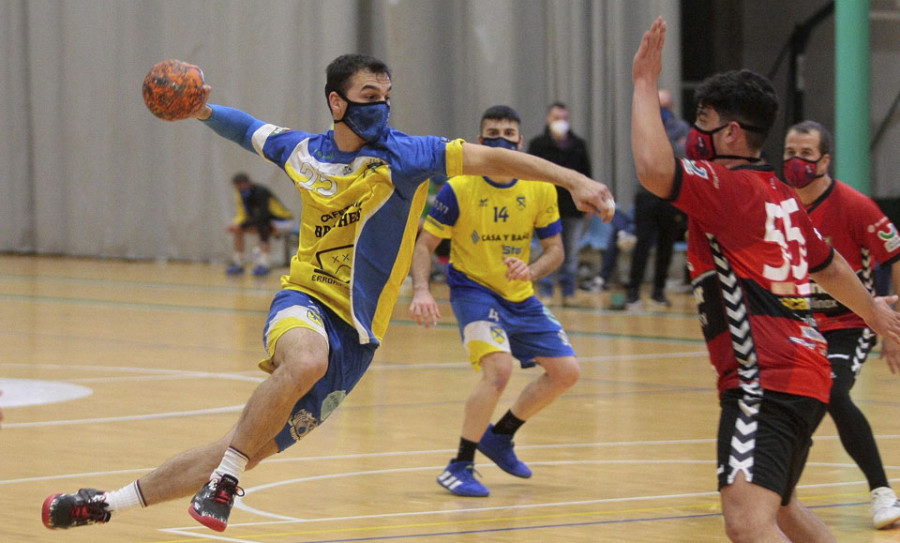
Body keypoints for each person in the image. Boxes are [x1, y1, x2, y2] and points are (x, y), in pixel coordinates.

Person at [42, 54, 614, 533]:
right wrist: (202, 111)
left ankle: (105, 503)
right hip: (305, 301)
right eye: (369, 94)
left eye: (388, 95)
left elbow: (495, 157)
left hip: (359, 338)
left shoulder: (411, 155)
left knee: (240, 447)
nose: (382, 105)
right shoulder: (303, 151)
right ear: (337, 102)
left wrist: (574, 180)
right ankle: (228, 478)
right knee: (303, 363)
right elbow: (247, 129)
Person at [632, 18, 900, 542]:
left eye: (702, 119)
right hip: (803, 373)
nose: (694, 131)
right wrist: (875, 313)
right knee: (783, 511)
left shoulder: (724, 185)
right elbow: (830, 265)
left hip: (764, 381)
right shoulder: (779, 194)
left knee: (747, 525)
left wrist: (644, 83)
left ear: (730, 133)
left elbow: (651, 167)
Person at [409, 105, 578, 497]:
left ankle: (500, 437)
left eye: (508, 132)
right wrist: (421, 290)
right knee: (499, 371)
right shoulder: (460, 187)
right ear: (480, 142)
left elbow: (555, 250)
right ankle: (460, 464)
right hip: (473, 291)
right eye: (492, 132)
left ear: (520, 141)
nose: (501, 138)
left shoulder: (540, 187)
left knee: (566, 372)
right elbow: (426, 243)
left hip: (520, 294)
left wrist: (532, 271)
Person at [783, 120, 900, 529]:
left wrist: (893, 329)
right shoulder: (778, 203)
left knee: (832, 390)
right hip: (796, 322)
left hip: (851, 321)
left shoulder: (854, 205)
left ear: (825, 160)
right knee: (797, 405)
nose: (796, 162)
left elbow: (895, 256)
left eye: (806, 155)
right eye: (790, 154)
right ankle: (778, 494)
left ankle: (883, 491)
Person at [624, 89, 689, 308]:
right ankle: (633, 293)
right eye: (657, 106)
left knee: (666, 245)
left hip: (671, 194)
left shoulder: (682, 128)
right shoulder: (643, 125)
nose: (661, 110)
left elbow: (681, 154)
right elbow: (645, 155)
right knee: (642, 243)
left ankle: (658, 292)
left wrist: (663, 140)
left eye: (665, 106)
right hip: (646, 194)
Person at [527, 102, 593, 306]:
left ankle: (568, 293)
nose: (561, 122)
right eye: (556, 118)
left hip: (573, 209)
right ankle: (545, 291)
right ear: (548, 119)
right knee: (546, 250)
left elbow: (586, 175)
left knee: (571, 252)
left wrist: (589, 203)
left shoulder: (578, 144)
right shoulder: (537, 144)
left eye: (564, 118)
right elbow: (528, 174)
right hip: (544, 208)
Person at [226, 172, 295, 276]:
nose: (239, 188)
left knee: (264, 227)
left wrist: (243, 224)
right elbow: (242, 214)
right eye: (237, 186)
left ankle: (264, 263)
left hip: (282, 221)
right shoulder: (240, 195)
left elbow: (264, 215)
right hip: (263, 221)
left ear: (248, 183)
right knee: (238, 229)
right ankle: (238, 261)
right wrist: (236, 224)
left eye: (241, 185)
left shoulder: (261, 191)